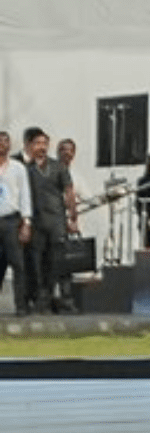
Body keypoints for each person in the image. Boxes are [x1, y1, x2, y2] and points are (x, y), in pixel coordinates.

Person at [21, 127, 77, 314]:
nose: (42, 147)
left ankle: (67, 299)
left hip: (57, 221)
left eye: (44, 143)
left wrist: (72, 217)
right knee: (39, 264)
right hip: (37, 223)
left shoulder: (58, 166)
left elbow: (69, 191)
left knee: (61, 261)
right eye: (38, 143)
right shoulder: (26, 169)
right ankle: (43, 300)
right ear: (30, 146)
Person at [0, 132, 35, 316]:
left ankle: (20, 305)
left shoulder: (17, 168)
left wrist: (26, 222)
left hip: (11, 221)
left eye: (5, 141)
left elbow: (25, 195)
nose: (2, 145)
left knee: (18, 264)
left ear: (10, 145)